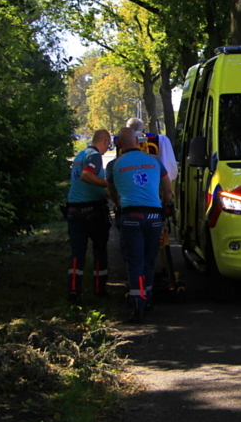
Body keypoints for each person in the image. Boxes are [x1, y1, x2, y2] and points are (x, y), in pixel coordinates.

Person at [107, 128, 173, 322]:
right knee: (149, 259)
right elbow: (168, 191)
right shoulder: (155, 161)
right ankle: (148, 297)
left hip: (130, 216)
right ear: (137, 140)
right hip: (153, 216)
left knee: (134, 260)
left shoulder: (114, 164)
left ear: (118, 143)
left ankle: (137, 303)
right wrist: (162, 207)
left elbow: (112, 193)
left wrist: (119, 206)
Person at [66, 129, 112, 304]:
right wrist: (108, 185)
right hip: (92, 210)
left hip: (74, 209)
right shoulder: (94, 155)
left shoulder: (80, 155)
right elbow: (86, 175)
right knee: (99, 249)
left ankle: (73, 290)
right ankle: (100, 289)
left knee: (77, 251)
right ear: (106, 141)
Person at [123, 116, 178, 182]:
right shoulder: (160, 139)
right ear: (143, 130)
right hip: (155, 180)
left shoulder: (120, 140)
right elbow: (168, 165)